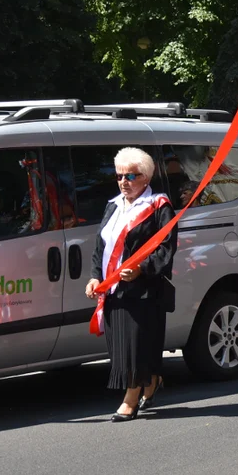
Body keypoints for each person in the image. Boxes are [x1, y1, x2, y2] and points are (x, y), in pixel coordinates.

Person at [85, 147, 177, 422]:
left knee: (135, 346)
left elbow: (167, 248)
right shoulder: (113, 205)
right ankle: (151, 381)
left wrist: (141, 269)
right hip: (114, 289)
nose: (124, 181)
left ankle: (130, 399)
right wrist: (94, 276)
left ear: (146, 178)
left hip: (143, 290)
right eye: (119, 176)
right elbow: (100, 246)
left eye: (131, 176)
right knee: (119, 345)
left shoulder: (159, 206)